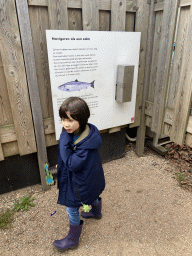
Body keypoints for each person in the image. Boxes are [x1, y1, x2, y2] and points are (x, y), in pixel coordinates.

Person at [53, 97, 105, 252]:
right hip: (91, 175)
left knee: (71, 207)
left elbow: (72, 163)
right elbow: (68, 158)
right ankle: (96, 212)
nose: (66, 124)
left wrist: (63, 139)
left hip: (79, 181)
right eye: (63, 119)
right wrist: (60, 164)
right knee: (93, 192)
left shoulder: (80, 142)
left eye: (70, 119)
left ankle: (72, 239)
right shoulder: (86, 132)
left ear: (82, 119)